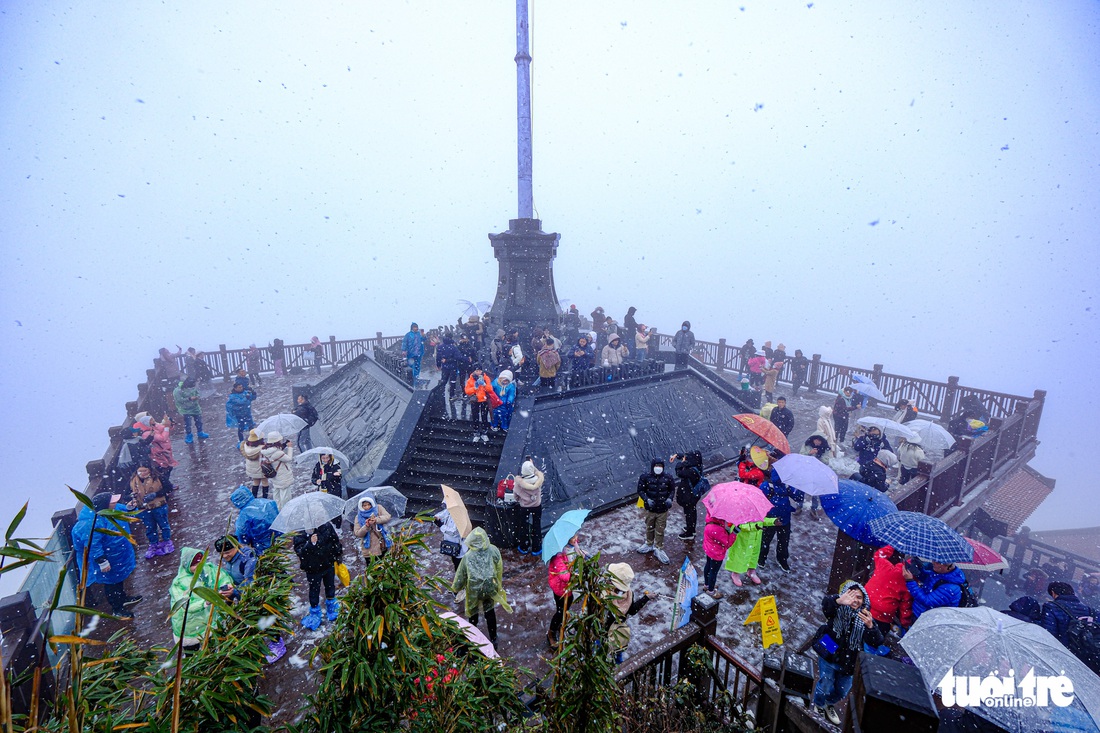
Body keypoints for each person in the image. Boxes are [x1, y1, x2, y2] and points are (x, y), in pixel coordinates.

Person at [812, 581, 884, 725]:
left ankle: (828, 703)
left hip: (849, 662)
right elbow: (826, 607)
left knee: (842, 691)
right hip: (830, 653)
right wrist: (839, 600)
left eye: (859, 597)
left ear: (864, 600)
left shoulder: (865, 616)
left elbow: (876, 641)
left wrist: (870, 627)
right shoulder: (837, 607)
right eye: (851, 595)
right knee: (825, 684)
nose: (855, 600)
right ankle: (819, 704)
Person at [71, 492, 142, 619]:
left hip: (117, 554)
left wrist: (131, 507)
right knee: (111, 583)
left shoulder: (112, 509)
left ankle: (122, 598)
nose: (115, 503)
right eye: (112, 501)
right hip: (108, 558)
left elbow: (126, 512)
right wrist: (102, 560)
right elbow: (92, 544)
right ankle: (117, 608)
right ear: (105, 506)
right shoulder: (91, 523)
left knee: (118, 579)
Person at [453, 527, 510, 646]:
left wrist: (456, 588)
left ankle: (473, 637)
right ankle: (493, 637)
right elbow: (499, 566)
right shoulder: (493, 550)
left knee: (473, 613)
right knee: (489, 612)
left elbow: (461, 575)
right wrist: (497, 583)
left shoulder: (468, 556)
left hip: (474, 589)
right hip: (489, 587)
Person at [169, 549, 226, 650]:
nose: (199, 567)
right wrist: (205, 602)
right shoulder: (179, 583)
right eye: (195, 565)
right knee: (192, 653)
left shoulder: (208, 569)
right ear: (187, 565)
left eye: (200, 563)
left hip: (207, 621)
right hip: (189, 627)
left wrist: (226, 585)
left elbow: (221, 576)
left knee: (210, 649)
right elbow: (185, 606)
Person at [293, 523, 343, 630]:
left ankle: (331, 606)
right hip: (313, 568)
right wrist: (311, 544)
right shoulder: (301, 531)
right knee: (314, 590)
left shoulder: (326, 526)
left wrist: (338, 554)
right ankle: (315, 612)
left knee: (330, 586)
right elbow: (300, 551)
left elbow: (334, 540)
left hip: (328, 563)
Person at [758, 468, 803, 573]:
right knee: (781, 540)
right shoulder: (777, 485)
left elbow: (797, 497)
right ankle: (779, 559)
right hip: (778, 519)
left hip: (775, 518)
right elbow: (798, 497)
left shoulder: (768, 485)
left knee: (768, 540)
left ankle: (763, 558)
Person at [863, 545, 914, 636]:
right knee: (877, 635)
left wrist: (893, 545)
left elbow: (879, 554)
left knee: (862, 627)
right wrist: (905, 624)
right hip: (883, 614)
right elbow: (905, 606)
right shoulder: (907, 584)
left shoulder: (885, 565)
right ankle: (872, 648)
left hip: (866, 602)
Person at [606, 562, 650, 664]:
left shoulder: (605, 595)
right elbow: (632, 611)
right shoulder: (628, 594)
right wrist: (646, 598)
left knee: (600, 653)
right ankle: (619, 670)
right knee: (618, 653)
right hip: (618, 631)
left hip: (603, 631)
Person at [547, 533, 585, 649]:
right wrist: (575, 575)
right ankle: (551, 632)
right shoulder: (559, 555)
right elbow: (563, 575)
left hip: (568, 588)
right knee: (560, 611)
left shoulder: (572, 546)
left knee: (567, 605)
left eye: (576, 536)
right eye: (573, 538)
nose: (575, 539)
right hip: (560, 589)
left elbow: (578, 554)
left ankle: (561, 622)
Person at [636, 458, 675, 565]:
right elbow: (640, 490)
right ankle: (649, 543)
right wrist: (646, 499)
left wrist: (669, 499)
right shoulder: (645, 477)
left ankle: (659, 547)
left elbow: (672, 490)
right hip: (650, 509)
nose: (659, 468)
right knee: (649, 526)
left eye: (660, 466)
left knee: (660, 529)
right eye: (657, 465)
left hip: (663, 509)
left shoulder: (668, 478)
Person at [903, 559, 967, 621]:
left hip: (927, 620)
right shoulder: (942, 574)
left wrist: (910, 581)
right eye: (933, 559)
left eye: (937, 562)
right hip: (921, 614)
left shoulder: (950, 588)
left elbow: (927, 601)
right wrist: (919, 570)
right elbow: (930, 580)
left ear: (949, 567)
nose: (933, 562)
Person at [131, 465, 174, 559]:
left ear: (150, 470)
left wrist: (156, 494)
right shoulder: (133, 481)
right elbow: (126, 494)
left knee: (164, 525)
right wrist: (132, 497)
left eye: (144, 471)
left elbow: (169, 488)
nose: (142, 474)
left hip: (159, 506)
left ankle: (167, 542)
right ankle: (153, 544)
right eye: (140, 471)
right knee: (150, 528)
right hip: (143, 509)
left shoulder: (158, 477)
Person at [724, 518, 778, 587]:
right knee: (739, 556)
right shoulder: (740, 511)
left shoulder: (757, 509)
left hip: (755, 538)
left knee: (753, 555)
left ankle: (751, 571)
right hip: (742, 539)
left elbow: (762, 520)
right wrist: (754, 527)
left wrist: (772, 521)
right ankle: (735, 573)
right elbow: (739, 525)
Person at [1040, 581, 1096, 646]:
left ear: (1053, 593)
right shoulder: (1092, 611)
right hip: (1087, 652)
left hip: (1063, 650)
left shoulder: (1051, 607)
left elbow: (1048, 633)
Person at [231, 484, 279, 554]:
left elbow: (241, 533)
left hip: (262, 545)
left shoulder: (244, 515)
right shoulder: (267, 502)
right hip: (278, 537)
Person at [512, 458, 545, 557]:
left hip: (524, 508)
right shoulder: (538, 481)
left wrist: (521, 500)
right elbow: (537, 472)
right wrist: (532, 465)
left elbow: (516, 496)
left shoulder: (519, 484)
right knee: (536, 526)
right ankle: (536, 548)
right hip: (537, 506)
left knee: (524, 527)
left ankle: (524, 547)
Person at [139, 414, 178, 492]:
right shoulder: (147, 433)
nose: (154, 421)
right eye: (151, 420)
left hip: (164, 451)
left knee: (168, 467)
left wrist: (167, 423)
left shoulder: (154, 427)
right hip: (158, 453)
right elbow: (162, 438)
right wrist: (166, 427)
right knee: (164, 468)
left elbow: (163, 428)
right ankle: (166, 485)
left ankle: (165, 484)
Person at [673, 450, 705, 541]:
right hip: (694, 494)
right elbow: (688, 460)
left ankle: (689, 533)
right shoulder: (697, 465)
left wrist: (679, 464)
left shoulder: (691, 471)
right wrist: (678, 455)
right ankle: (692, 529)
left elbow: (679, 473)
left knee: (689, 513)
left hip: (688, 495)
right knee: (692, 511)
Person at [702, 511, 735, 598]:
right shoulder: (718, 529)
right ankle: (711, 591)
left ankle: (706, 585)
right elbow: (727, 543)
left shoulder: (710, 518)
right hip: (717, 554)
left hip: (709, 550)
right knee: (713, 571)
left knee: (708, 566)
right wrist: (734, 533)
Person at [261, 432, 295, 509]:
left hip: (275, 475)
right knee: (285, 494)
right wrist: (290, 447)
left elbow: (275, 452)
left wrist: (284, 445)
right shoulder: (278, 453)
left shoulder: (266, 450)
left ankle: (277, 509)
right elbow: (289, 458)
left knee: (277, 493)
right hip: (282, 475)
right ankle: (285, 510)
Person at [353, 495, 392, 560]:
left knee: (384, 565)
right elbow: (357, 533)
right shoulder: (358, 517)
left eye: (369, 504)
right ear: (361, 506)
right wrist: (366, 526)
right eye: (364, 505)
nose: (367, 507)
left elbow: (387, 516)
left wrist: (376, 520)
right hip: (369, 550)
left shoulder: (378, 508)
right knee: (372, 568)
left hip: (382, 545)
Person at [173, 377, 208, 444]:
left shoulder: (193, 387)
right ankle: (189, 435)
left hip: (195, 407)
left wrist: (197, 396)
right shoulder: (178, 390)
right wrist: (189, 398)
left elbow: (198, 393)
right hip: (185, 409)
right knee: (188, 423)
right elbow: (179, 400)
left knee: (199, 421)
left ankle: (200, 432)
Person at [434, 502, 468, 571]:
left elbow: (455, 532)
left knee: (459, 564)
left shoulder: (460, 517)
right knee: (454, 559)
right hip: (451, 544)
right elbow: (443, 514)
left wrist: (442, 526)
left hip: (459, 546)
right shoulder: (450, 511)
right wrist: (437, 517)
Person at [436, 334, 463, 417]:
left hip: (445, 367)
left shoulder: (440, 347)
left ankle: (441, 396)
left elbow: (438, 357)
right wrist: (449, 360)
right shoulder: (453, 347)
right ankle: (451, 396)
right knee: (453, 381)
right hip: (453, 367)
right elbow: (458, 357)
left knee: (443, 381)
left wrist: (438, 365)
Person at [464, 365, 493, 438]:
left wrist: (484, 384)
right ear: (474, 371)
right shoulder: (470, 380)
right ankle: (476, 431)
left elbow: (490, 389)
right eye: (477, 371)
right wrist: (475, 388)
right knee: (475, 416)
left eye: (480, 371)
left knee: (484, 416)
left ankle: (484, 431)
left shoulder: (486, 378)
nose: (478, 372)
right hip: (475, 400)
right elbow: (467, 391)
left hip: (484, 399)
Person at [240, 430, 268, 498]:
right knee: (265, 482)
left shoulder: (246, 446)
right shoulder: (262, 448)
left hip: (252, 470)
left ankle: (254, 498)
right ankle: (265, 499)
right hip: (261, 468)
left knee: (255, 482)